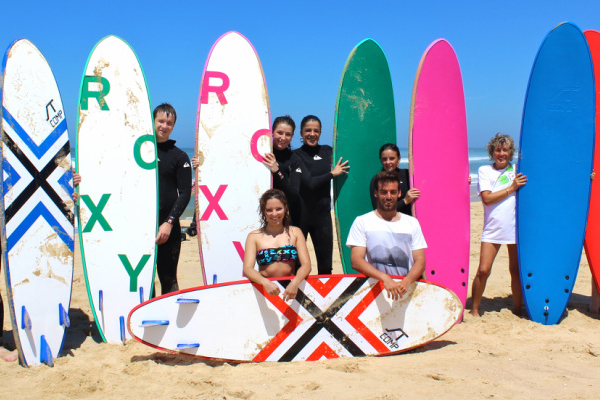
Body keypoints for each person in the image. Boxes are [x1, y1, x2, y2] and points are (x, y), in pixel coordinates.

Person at [470, 133, 527, 317]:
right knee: (483, 270)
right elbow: (486, 198)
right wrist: (511, 188)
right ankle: (474, 309)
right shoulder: (485, 171)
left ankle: (517, 310)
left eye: (505, 150)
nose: (501, 153)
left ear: (510, 153)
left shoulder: (517, 169)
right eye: (497, 150)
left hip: (515, 229)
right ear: (492, 152)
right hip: (493, 228)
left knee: (516, 271)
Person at [347, 170, 427, 300]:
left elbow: (420, 261)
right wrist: (385, 278)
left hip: (405, 288)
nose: (388, 197)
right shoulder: (362, 222)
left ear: (399, 193)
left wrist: (406, 282)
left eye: (393, 192)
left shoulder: (412, 223)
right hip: (375, 289)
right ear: (376, 193)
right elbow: (356, 261)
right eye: (384, 192)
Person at [294, 115, 349, 275]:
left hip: (322, 217)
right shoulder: (296, 155)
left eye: (316, 130)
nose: (312, 134)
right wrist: (332, 174)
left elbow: (350, 157)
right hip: (300, 217)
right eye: (308, 130)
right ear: (301, 132)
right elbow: (309, 183)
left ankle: (326, 298)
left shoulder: (328, 151)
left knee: (326, 267)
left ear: (320, 132)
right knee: (298, 266)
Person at [243, 189, 311, 301]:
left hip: (290, 290)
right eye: (269, 210)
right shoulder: (254, 236)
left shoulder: (296, 232)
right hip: (264, 290)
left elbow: (306, 265)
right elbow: (247, 269)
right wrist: (264, 282)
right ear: (264, 212)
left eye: (278, 209)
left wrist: (295, 283)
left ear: (285, 208)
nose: (274, 214)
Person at [154, 103, 192, 295]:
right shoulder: (138, 153)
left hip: (168, 228)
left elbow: (185, 193)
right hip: (140, 226)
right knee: (140, 280)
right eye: (161, 121)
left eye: (169, 122)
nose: (164, 125)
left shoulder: (180, 156)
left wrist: (169, 222)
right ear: (153, 121)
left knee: (168, 279)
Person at [262, 116, 306, 227]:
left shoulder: (294, 160)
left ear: (292, 136)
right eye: (279, 133)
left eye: (288, 134)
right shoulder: (262, 153)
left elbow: (293, 193)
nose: (283, 137)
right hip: (260, 212)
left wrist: (277, 171)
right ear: (272, 132)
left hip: (282, 216)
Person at [369, 143, 419, 216]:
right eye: (384, 159)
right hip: (387, 224)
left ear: (399, 159)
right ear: (380, 160)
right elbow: (378, 210)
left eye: (392, 158)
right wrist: (405, 201)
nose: (388, 162)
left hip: (408, 224)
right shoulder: (376, 180)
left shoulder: (408, 175)